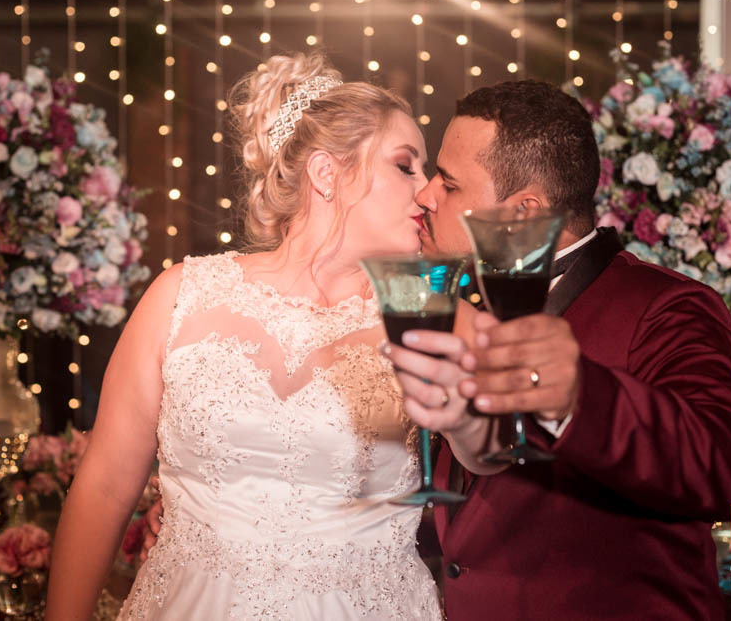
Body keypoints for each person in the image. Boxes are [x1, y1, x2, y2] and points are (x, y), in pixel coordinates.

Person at [47, 52, 444, 620]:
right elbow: (106, 486)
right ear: (326, 173)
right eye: (406, 166)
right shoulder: (180, 295)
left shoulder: (431, 317)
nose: (426, 191)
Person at [381, 79, 731, 619]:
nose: (425, 195)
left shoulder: (667, 305)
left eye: (449, 183)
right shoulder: (461, 302)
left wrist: (574, 396)